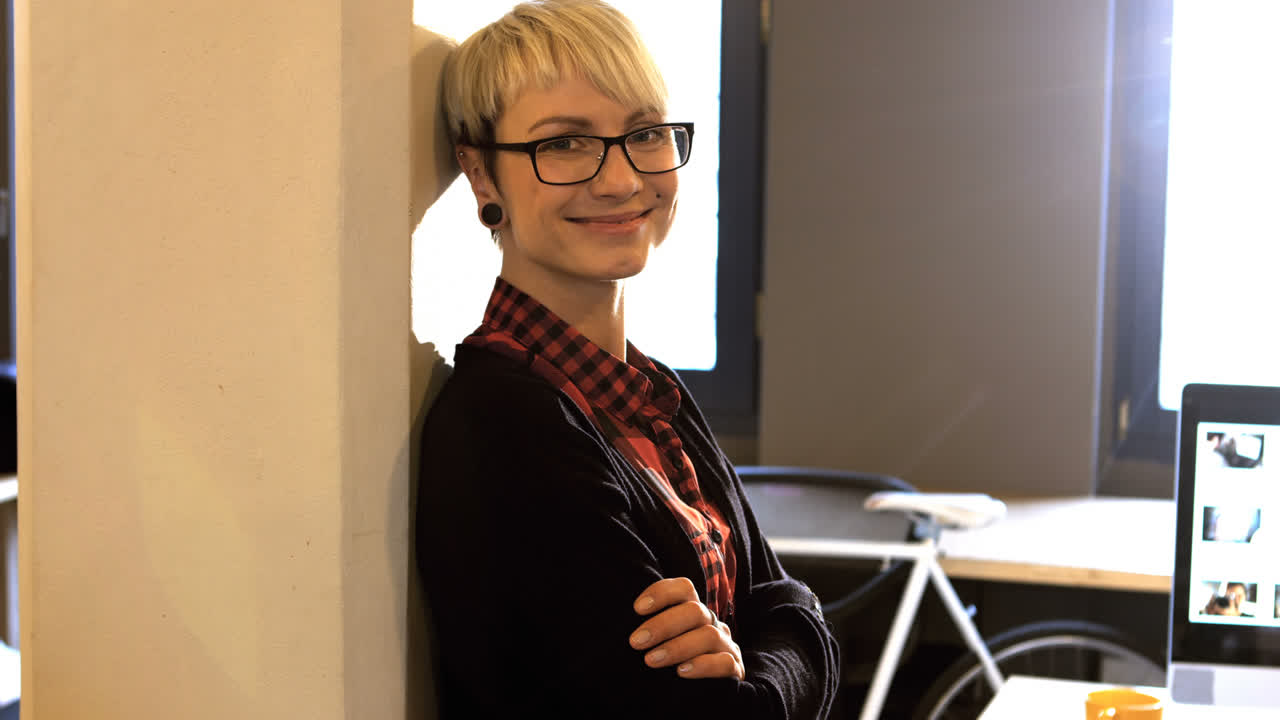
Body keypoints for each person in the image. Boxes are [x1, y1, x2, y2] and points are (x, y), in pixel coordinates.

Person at [415, 1, 840, 717]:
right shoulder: (503, 425)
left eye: (643, 133)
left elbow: (788, 606)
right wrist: (791, 635)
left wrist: (769, 635)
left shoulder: (649, 392)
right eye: (565, 144)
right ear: (482, 175)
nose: (620, 181)